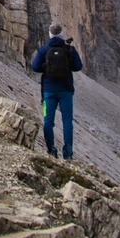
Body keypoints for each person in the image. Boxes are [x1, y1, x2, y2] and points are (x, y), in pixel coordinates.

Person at [31, 22, 83, 160]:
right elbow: (78, 66)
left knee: (48, 121)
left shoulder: (44, 49)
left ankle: (51, 150)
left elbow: (35, 67)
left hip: (48, 91)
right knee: (67, 122)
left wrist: (47, 67)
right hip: (66, 91)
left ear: (50, 33)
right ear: (61, 34)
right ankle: (68, 154)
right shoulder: (69, 49)